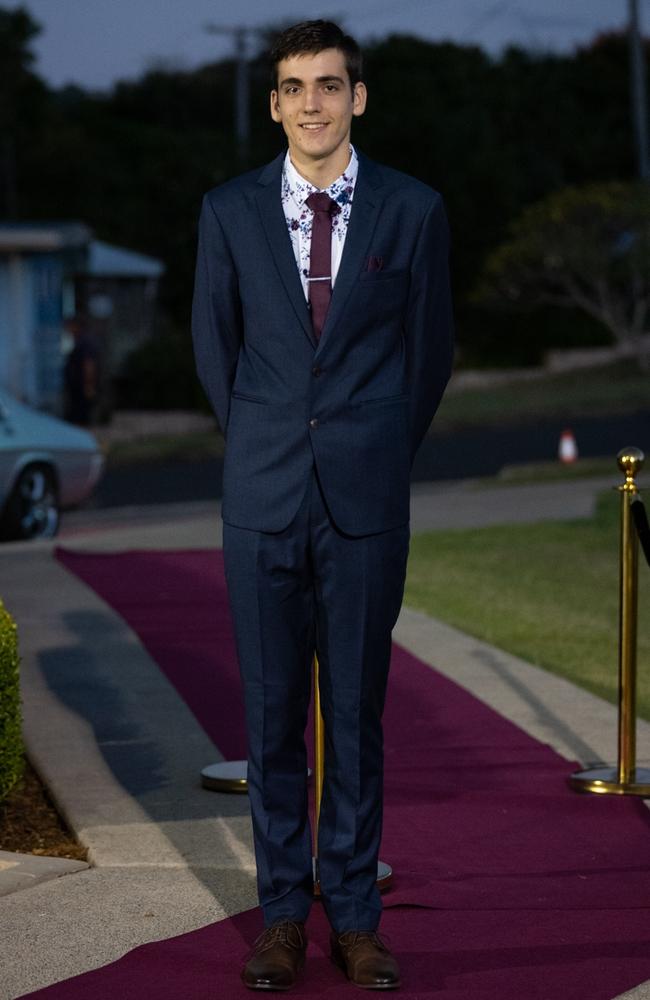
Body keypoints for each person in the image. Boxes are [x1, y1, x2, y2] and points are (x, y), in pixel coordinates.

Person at [192, 20, 453, 992]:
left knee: (353, 715)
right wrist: (267, 441)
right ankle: (278, 919)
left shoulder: (413, 210)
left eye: (329, 85)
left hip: (363, 502)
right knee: (268, 724)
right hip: (260, 500)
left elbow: (426, 359)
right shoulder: (226, 211)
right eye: (294, 87)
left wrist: (369, 448)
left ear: (358, 98)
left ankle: (353, 916)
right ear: (273, 104)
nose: (311, 102)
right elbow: (214, 351)